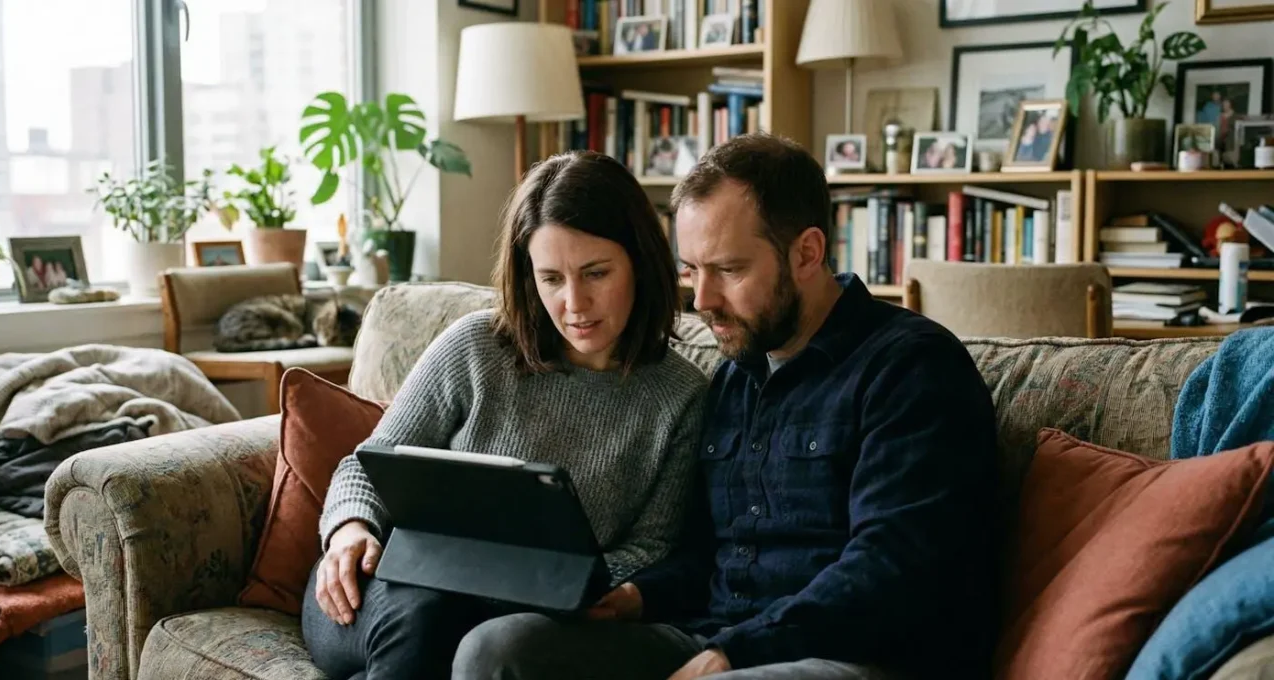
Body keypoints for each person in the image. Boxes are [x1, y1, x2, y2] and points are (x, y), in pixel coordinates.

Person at [452, 133, 999, 680]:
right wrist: (635, 598)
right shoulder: (737, 375)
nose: (702, 300)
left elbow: (892, 569)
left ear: (807, 252)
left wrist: (739, 653)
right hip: (714, 635)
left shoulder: (909, 369)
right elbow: (705, 550)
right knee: (498, 648)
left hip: (854, 654)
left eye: (729, 270)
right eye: (691, 269)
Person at [301, 150, 708, 680]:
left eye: (596, 272)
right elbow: (367, 466)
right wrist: (351, 531)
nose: (575, 303)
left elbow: (652, 547)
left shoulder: (682, 395)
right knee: (425, 619)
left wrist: (550, 584)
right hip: (385, 589)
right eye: (551, 279)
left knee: (459, 646)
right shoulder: (475, 346)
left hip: (522, 618)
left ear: (640, 260)